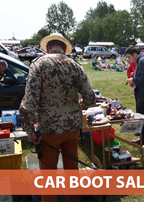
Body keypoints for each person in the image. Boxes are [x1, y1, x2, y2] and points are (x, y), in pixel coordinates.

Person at [19, 33, 95, 202]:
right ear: (64, 48)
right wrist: (76, 109)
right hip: (72, 128)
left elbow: (29, 101)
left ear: (48, 47)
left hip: (50, 129)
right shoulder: (76, 66)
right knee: (72, 169)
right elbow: (90, 97)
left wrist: (29, 129)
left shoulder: (39, 64)